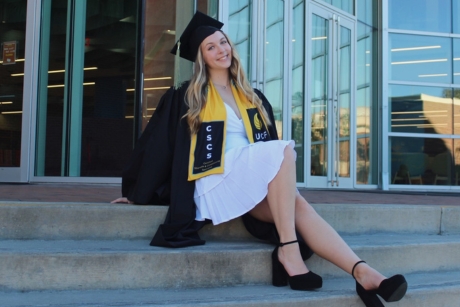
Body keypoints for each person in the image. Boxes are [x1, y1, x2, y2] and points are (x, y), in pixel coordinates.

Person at [112, 11, 407, 307]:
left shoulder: (252, 96)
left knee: (296, 203)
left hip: (247, 172)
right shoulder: (189, 96)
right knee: (283, 150)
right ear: (201, 57)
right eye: (210, 47)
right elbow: (159, 147)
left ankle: (364, 274)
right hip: (215, 176)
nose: (220, 50)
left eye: (223, 42)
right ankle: (289, 251)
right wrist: (138, 192)